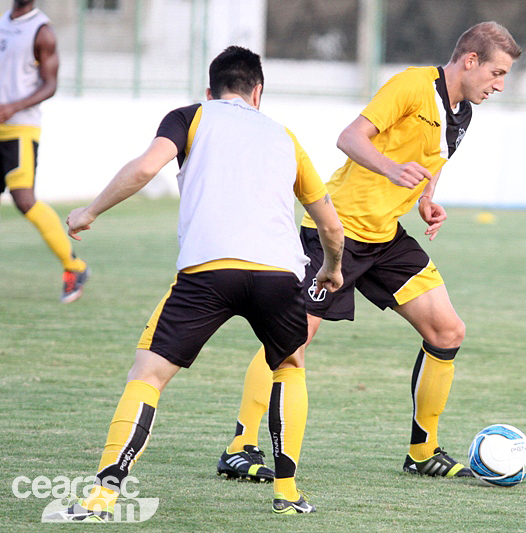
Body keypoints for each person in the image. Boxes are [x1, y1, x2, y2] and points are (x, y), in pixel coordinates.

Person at [44, 46, 344, 521]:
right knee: (289, 364)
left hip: (209, 269)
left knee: (147, 376)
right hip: (278, 274)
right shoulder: (285, 136)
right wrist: (332, 267)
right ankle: (287, 492)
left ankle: (102, 498)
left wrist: (89, 211)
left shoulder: (191, 116)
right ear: (258, 92)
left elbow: (146, 168)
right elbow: (328, 222)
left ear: (210, 90)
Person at [215, 21, 521, 482]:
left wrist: (424, 200)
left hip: (385, 237)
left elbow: (430, 163)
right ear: (471, 60)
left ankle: (423, 451)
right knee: (292, 339)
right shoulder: (411, 85)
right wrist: (393, 169)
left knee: (447, 330)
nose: (500, 84)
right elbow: (350, 138)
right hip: (336, 230)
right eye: (497, 73)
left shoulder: (462, 113)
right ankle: (240, 447)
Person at [0, 0, 89, 303]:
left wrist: (13, 106)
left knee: (24, 199)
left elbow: (50, 85)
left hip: (20, 128)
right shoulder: (3, 22)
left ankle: (74, 266)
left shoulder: (43, 31)